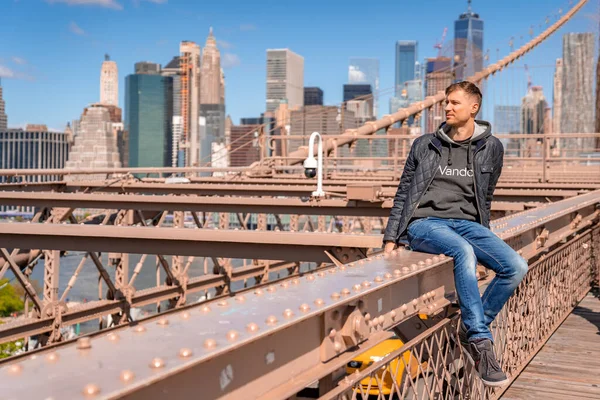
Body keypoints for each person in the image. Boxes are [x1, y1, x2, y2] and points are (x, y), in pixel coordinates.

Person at [382, 81, 528, 387]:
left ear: (473, 107)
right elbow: (403, 193)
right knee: (463, 251)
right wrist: (390, 238)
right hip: (424, 223)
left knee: (516, 266)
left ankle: (473, 325)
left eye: (454, 103)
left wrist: (483, 236)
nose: (447, 107)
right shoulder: (425, 144)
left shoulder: (492, 148)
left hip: (467, 224)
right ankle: (480, 343)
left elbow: (484, 198)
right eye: (445, 102)